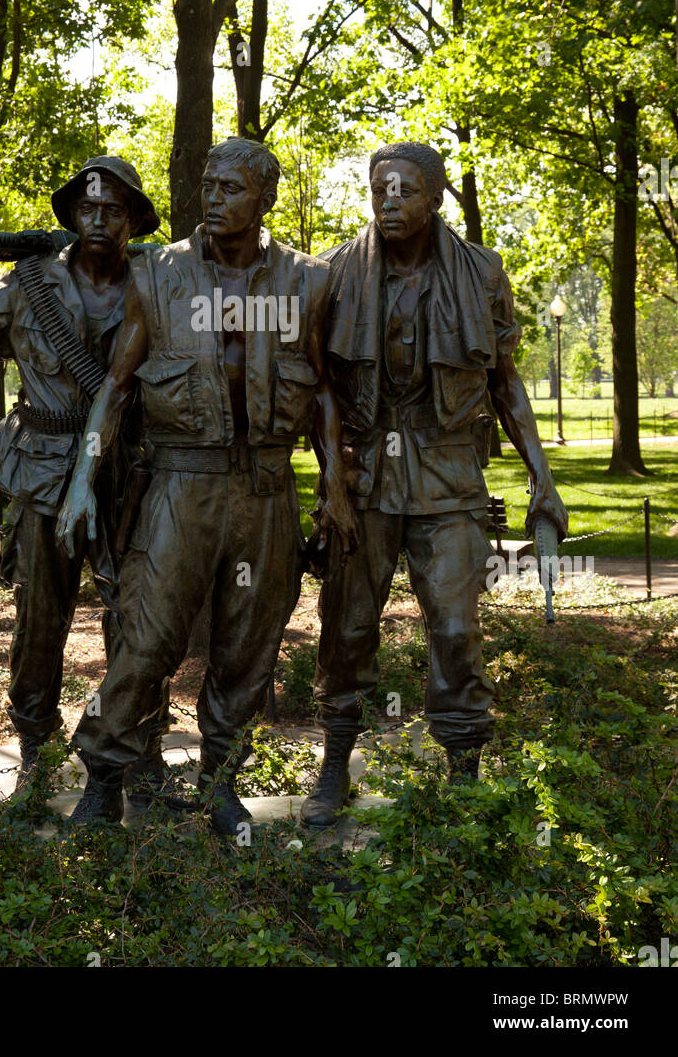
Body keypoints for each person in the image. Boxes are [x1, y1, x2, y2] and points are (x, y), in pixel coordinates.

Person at [56, 137, 357, 833]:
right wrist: (80, 482)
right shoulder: (158, 275)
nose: (213, 199)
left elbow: (325, 394)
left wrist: (334, 486)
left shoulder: (307, 282)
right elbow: (118, 388)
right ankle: (105, 778)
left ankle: (221, 781)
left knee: (249, 645)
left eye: (231, 188)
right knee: (147, 640)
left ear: (265, 199)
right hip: (178, 486)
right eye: (208, 185)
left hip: (265, 489)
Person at [299, 141, 569, 827]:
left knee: (454, 625)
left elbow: (504, 382)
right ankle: (334, 766)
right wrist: (333, 481)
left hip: (449, 470)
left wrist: (543, 476)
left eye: (405, 189)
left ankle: (464, 772)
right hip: (363, 474)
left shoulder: (480, 273)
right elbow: (317, 388)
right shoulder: (331, 273)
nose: (389, 199)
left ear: (436, 198)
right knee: (348, 626)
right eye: (379, 187)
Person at [0, 155, 168, 804]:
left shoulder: (160, 285)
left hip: (131, 476)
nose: (98, 219)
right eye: (88, 208)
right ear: (73, 215)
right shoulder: (29, 286)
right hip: (44, 476)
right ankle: (36, 761)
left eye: (113, 210)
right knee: (39, 625)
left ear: (132, 219)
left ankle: (135, 752)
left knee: (141, 622)